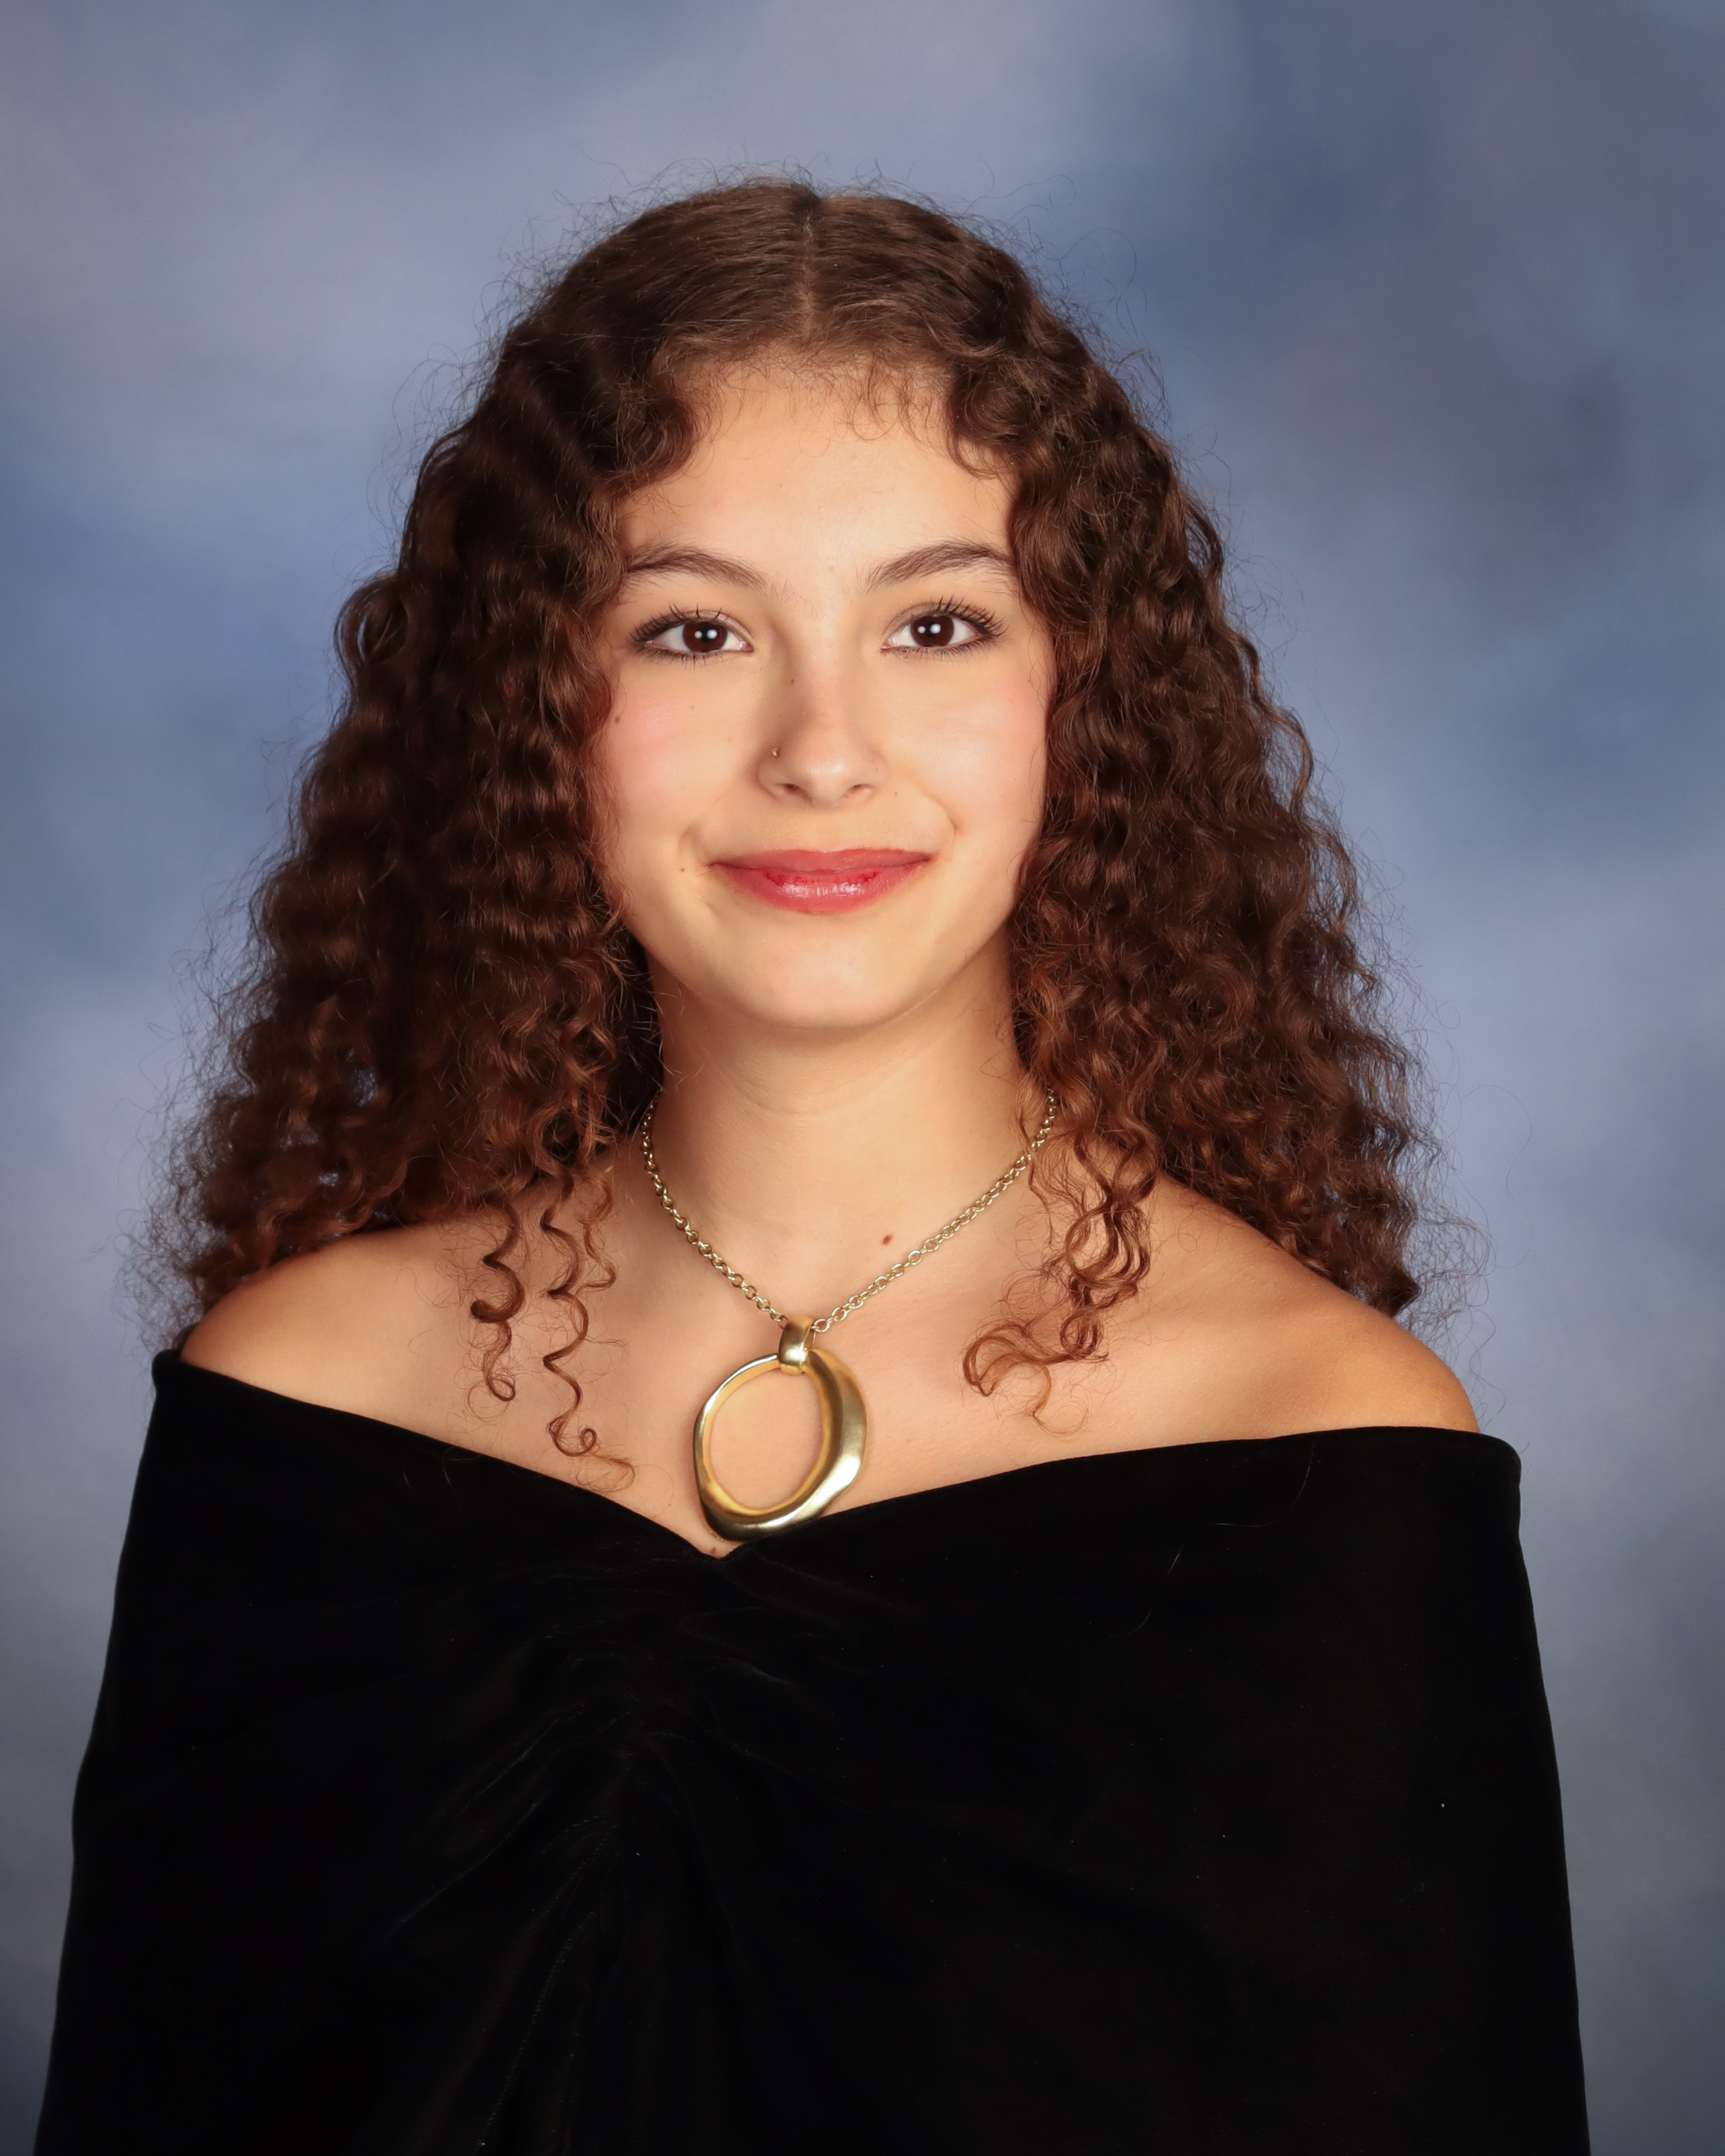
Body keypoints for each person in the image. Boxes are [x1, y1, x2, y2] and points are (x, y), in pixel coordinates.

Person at [34, 181, 1589, 2153]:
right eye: (693, 629)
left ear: (1083, 696)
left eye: (936, 623)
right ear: (534, 706)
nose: (823, 748)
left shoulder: (1323, 1442)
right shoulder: (294, 1400)